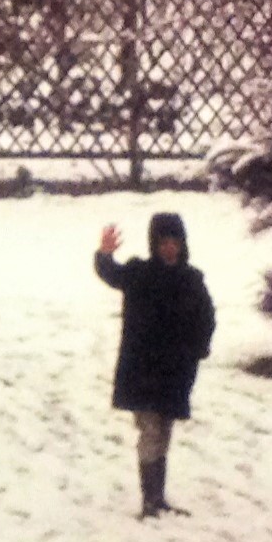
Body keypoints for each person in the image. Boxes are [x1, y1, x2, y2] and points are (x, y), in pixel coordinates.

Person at [95, 212, 216, 517]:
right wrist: (104, 254)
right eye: (163, 242)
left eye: (175, 241)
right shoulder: (140, 274)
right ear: (154, 243)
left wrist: (198, 349)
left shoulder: (192, 279)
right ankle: (149, 500)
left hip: (175, 373)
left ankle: (158, 497)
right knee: (150, 432)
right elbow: (112, 274)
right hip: (142, 371)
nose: (169, 248)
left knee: (164, 433)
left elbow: (207, 318)